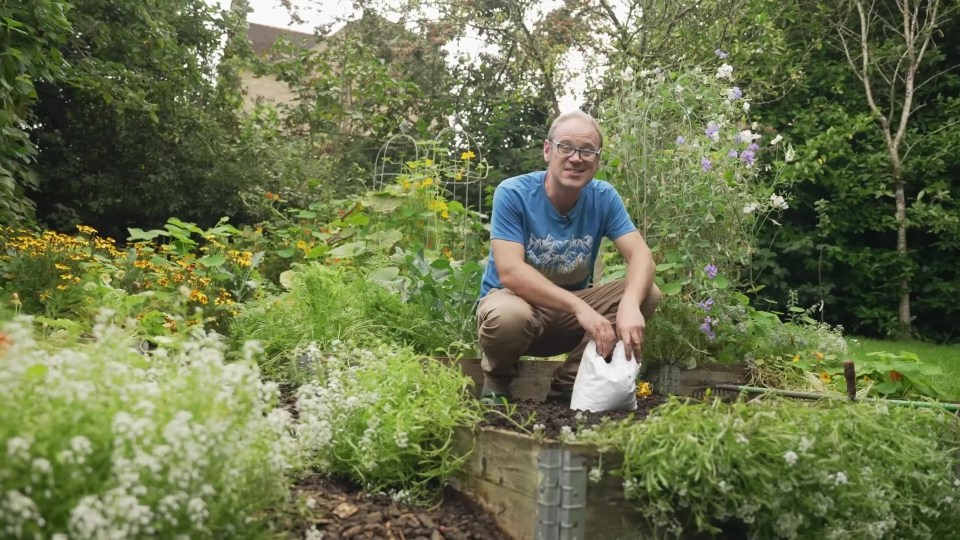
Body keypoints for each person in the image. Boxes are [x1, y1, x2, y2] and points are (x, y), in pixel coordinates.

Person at [475, 110, 661, 405]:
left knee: (646, 294)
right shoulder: (513, 193)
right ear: (548, 150)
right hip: (517, 309)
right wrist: (578, 306)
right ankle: (497, 383)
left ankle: (569, 384)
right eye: (566, 147)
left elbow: (641, 256)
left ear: (597, 160)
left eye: (587, 150)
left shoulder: (603, 197)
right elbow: (510, 271)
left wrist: (628, 305)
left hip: (569, 320)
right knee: (507, 317)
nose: (576, 158)